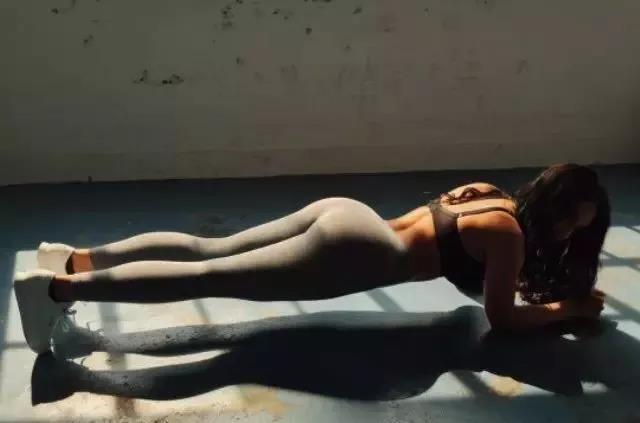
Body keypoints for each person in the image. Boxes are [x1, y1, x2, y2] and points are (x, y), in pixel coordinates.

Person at [14, 163, 611, 354]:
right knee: (207, 275)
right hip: (359, 253)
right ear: (552, 205)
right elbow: (501, 319)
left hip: (350, 214)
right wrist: (570, 309)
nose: (565, 233)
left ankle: (72, 260)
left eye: (575, 227)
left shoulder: (490, 195)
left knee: (208, 251)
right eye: (568, 219)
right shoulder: (509, 237)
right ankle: (56, 291)